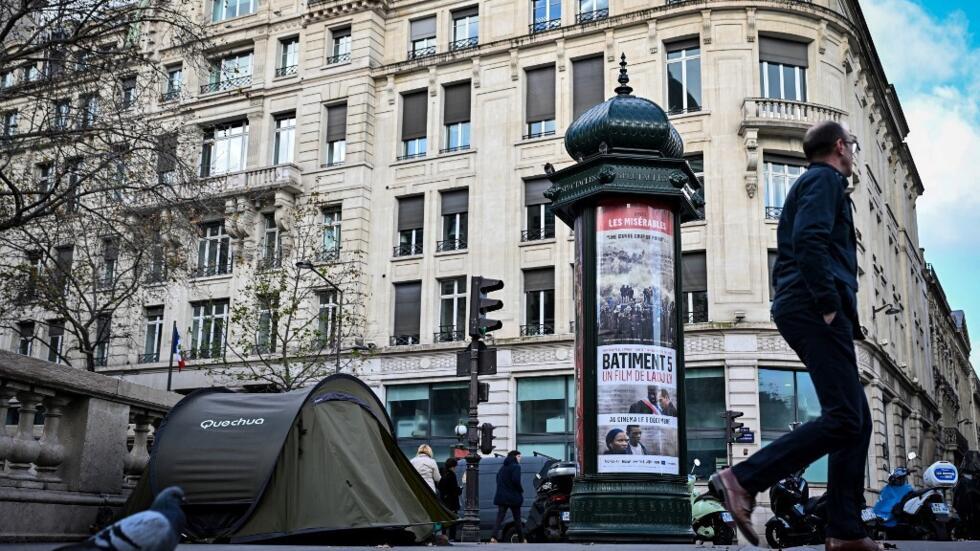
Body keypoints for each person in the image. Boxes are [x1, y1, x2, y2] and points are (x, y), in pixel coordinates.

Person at [708, 121, 879, 551]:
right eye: (852, 146)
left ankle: (844, 530)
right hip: (812, 305)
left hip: (805, 304)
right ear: (840, 146)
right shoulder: (825, 180)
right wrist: (827, 302)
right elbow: (810, 240)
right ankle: (742, 479)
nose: (853, 153)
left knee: (857, 420)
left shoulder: (816, 182)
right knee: (845, 417)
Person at [491, 450, 525, 543]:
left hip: (502, 497)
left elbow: (498, 480)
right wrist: (520, 490)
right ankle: (521, 539)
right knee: (517, 519)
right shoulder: (516, 467)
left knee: (499, 519)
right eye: (519, 456)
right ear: (514, 457)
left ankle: (493, 537)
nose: (520, 458)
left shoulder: (502, 468)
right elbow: (516, 480)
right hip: (513, 497)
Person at [437, 457, 462, 540]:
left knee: (444, 520)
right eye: (455, 467)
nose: (455, 468)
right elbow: (455, 490)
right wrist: (460, 489)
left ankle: (443, 535)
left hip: (444, 501)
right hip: (452, 502)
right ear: (452, 467)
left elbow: (440, 486)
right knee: (453, 520)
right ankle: (452, 537)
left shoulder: (443, 474)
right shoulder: (452, 475)